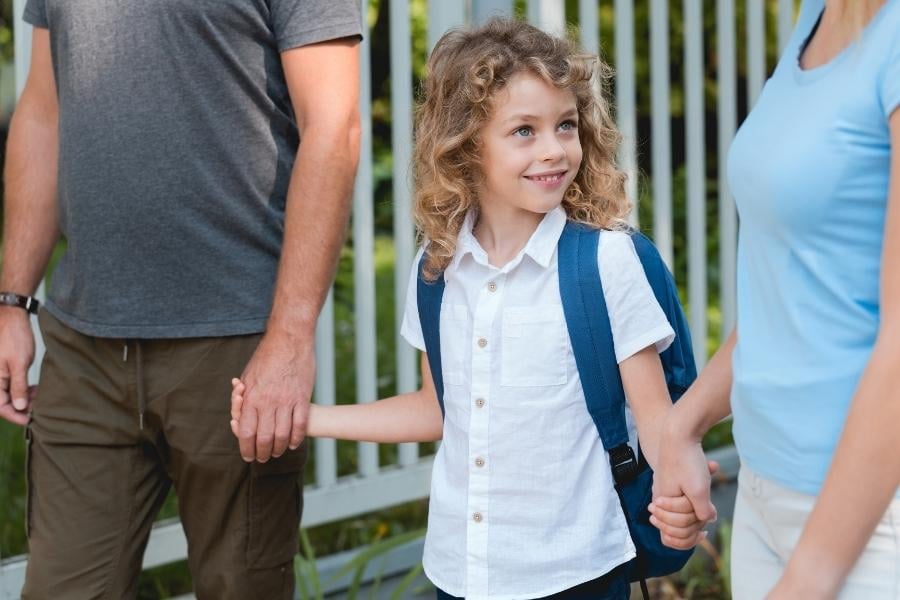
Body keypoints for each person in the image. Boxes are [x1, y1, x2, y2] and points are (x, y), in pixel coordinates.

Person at [232, 18, 705, 600]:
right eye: (524, 131)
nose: (554, 150)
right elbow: (438, 409)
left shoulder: (605, 262)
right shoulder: (438, 271)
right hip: (461, 571)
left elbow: (657, 422)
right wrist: (309, 419)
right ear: (466, 144)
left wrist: (679, 498)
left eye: (565, 125)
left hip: (576, 570)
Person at [0, 1, 361, 598]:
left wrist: (290, 340)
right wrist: (12, 300)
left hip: (236, 350)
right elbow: (43, 111)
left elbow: (334, 126)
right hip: (84, 347)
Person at [650, 0, 900, 598]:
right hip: (764, 496)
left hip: (867, 526)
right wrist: (682, 427)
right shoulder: (818, 17)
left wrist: (810, 577)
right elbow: (795, 290)